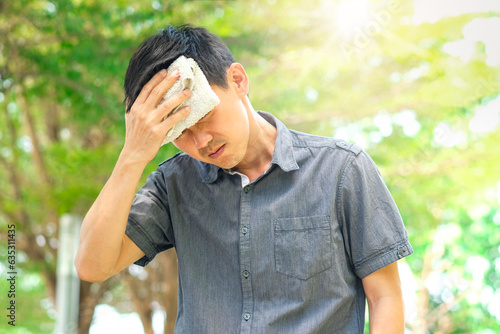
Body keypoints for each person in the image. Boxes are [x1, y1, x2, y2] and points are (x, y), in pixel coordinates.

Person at [75, 24, 413, 333]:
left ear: (238, 81)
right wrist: (133, 154)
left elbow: (385, 297)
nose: (201, 141)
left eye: (204, 115)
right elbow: (92, 266)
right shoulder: (173, 184)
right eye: (180, 131)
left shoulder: (342, 169)